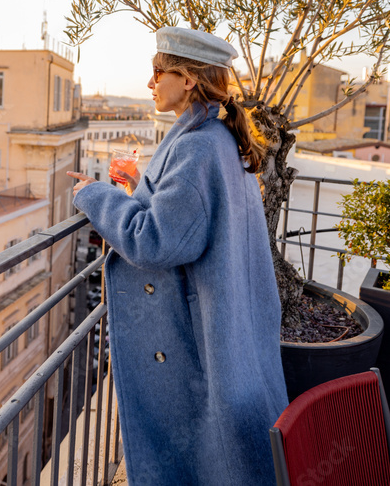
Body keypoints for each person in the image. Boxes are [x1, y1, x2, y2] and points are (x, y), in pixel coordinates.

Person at [66, 26, 287, 485]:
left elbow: (155, 242)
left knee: (203, 452)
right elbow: (185, 214)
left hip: (196, 331)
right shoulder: (215, 136)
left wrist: (94, 196)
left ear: (187, 79)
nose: (150, 84)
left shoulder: (197, 146)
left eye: (158, 72)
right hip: (223, 318)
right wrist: (136, 188)